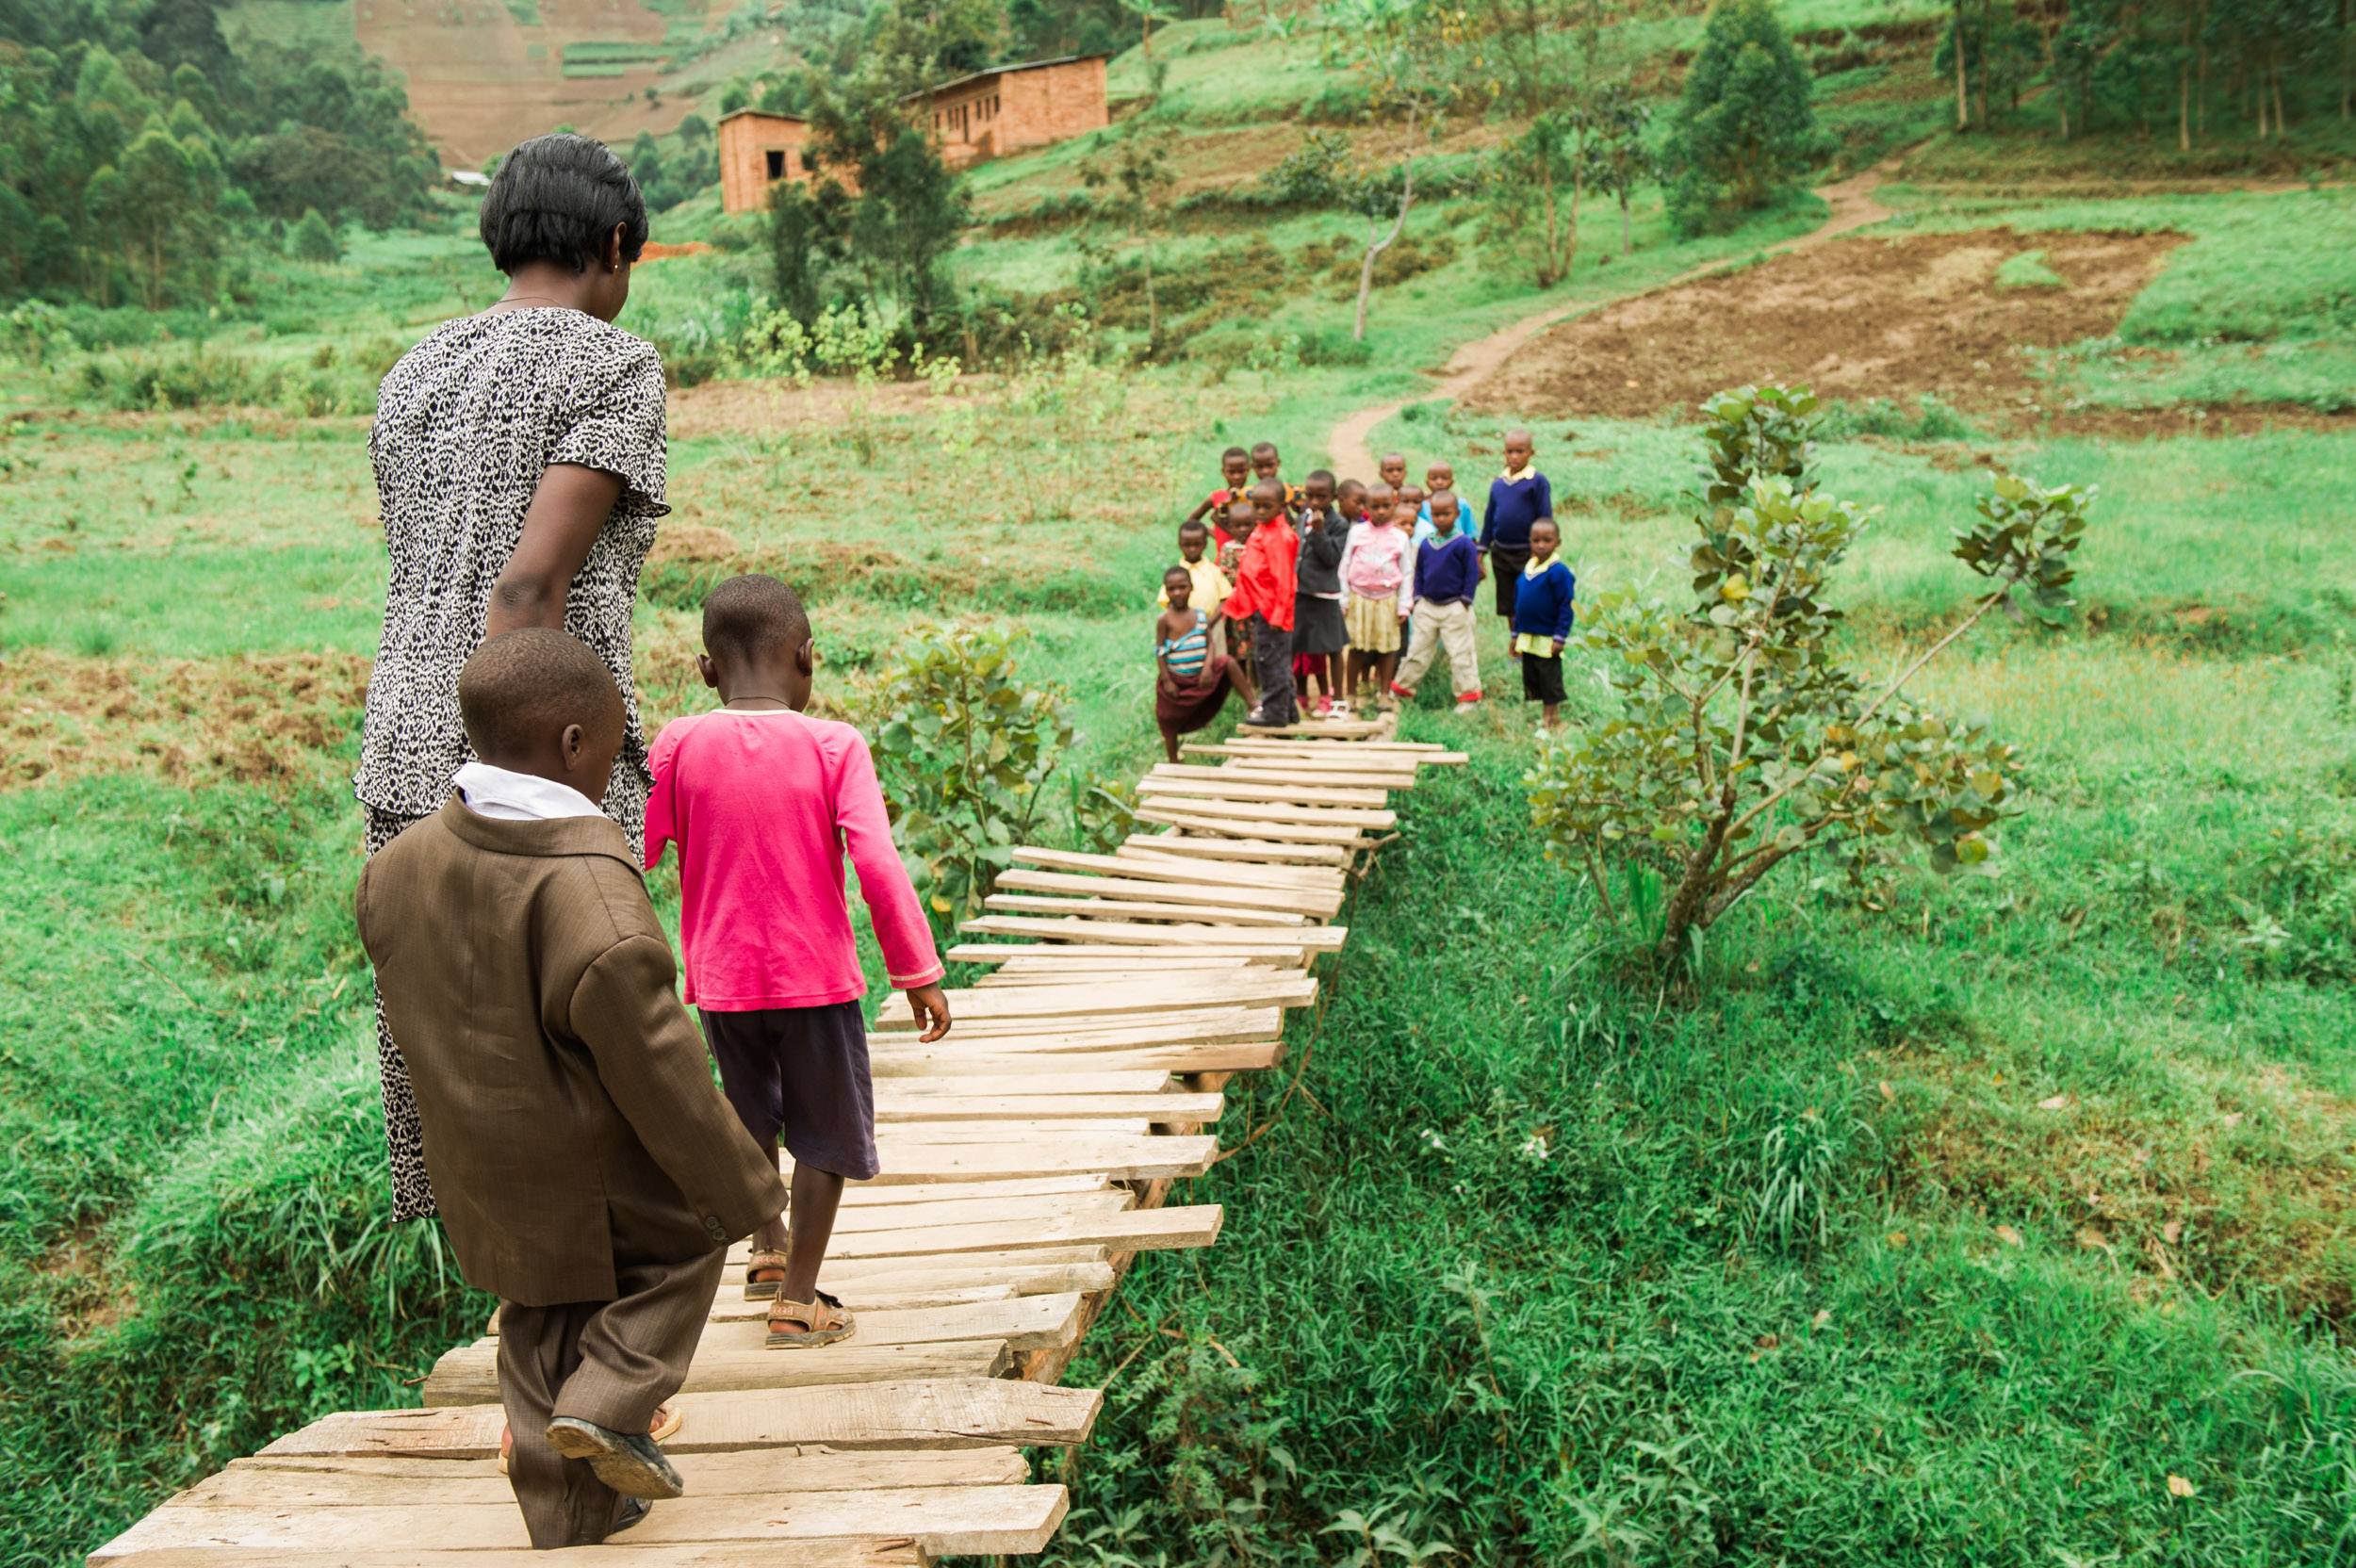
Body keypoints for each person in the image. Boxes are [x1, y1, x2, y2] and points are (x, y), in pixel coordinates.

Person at [356, 629, 790, 1548]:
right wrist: (746, 1187)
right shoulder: (591, 896)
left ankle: (569, 1513)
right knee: (689, 1229)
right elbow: (659, 1062)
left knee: (539, 1309)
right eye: (609, 746)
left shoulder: (392, 869)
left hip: (480, 1169)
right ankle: (610, 1397)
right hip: (583, 1169)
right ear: (571, 745)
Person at [359, 133, 669, 1225]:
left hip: (402, 744)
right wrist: (540, 797)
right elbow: (529, 592)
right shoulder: (611, 366)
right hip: (537, 752)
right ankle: (594, 1361)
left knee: (459, 1055)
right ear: (617, 244)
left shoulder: (414, 370)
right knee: (583, 1040)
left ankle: (521, 1344)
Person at [644, 575, 951, 1351]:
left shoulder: (678, 744)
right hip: (814, 981)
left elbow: (631, 856)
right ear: (806, 658)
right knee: (825, 1133)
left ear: (706, 669)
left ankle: (768, 1246)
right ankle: (799, 1299)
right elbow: (876, 861)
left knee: (750, 1120)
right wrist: (916, 972)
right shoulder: (834, 744)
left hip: (721, 985)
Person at [1391, 492, 1483, 715]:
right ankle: (1401, 690)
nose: (1441, 519)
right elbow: (1419, 571)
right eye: (1436, 514)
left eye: (1446, 514)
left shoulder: (1463, 543)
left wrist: (1465, 601)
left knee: (1461, 653)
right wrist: (1418, 597)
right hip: (1427, 607)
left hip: (1455, 607)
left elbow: (1472, 573)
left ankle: (1468, 697)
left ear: (1457, 514)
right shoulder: (1427, 543)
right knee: (1417, 651)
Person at [1223, 493, 1298, 727]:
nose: (1262, 511)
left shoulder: (1278, 537)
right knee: (1274, 661)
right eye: (1258, 506)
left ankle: (1274, 714)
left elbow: (1285, 580)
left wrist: (1277, 615)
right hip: (1259, 606)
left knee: (1269, 662)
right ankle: (1288, 711)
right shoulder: (1263, 529)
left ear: (1281, 506)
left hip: (1271, 611)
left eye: (1268, 506)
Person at [1339, 482, 1412, 710]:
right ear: (1366, 508)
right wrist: (1344, 598)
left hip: (1387, 599)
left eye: (1386, 506)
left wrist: (1404, 605)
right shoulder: (1357, 532)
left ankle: (1383, 694)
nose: (1381, 511)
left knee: (1388, 648)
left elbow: (1407, 572)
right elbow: (1345, 565)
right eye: (1375, 506)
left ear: (1395, 505)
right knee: (1357, 647)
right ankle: (1350, 694)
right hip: (1359, 598)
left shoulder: (1400, 537)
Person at [1480, 429, 1555, 646]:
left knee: (1528, 599)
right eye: (1510, 452)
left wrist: (1541, 549)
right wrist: (1482, 550)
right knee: (1508, 603)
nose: (1514, 457)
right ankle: (1516, 644)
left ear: (1531, 453)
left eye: (1520, 452)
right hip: (1501, 552)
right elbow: (1489, 518)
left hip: (1527, 552)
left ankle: (1532, 642)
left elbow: (1544, 517)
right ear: (1503, 452)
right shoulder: (1498, 484)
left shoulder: (1537, 482)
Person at [1155, 565, 1235, 760]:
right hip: (1177, 678)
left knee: (1229, 663)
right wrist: (1167, 680)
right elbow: (1160, 652)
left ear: (1191, 588)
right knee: (1168, 717)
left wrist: (1208, 667)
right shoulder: (1164, 620)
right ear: (1165, 591)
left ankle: (1252, 705)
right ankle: (1173, 759)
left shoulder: (1199, 615)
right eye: (1171, 589)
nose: (1177, 593)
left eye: (1182, 587)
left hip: (1201, 675)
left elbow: (1209, 645)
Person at [1291, 468, 1350, 717]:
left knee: (1333, 648)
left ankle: (1338, 701)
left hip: (1324, 595)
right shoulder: (1303, 516)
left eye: (1321, 497)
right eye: (1310, 496)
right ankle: (1297, 697)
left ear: (1334, 496)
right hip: (1300, 593)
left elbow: (1331, 558)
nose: (1314, 502)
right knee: (1298, 645)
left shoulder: (1339, 524)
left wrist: (1319, 532)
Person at [1513, 519, 1576, 729]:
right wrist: (1515, 635)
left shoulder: (1559, 572)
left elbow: (1566, 606)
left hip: (1548, 638)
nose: (1541, 545)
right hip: (1528, 636)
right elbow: (1518, 603)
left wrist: (1560, 636)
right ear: (1529, 541)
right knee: (1534, 679)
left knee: (1550, 681)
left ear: (1558, 542)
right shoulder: (1527, 569)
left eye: (1547, 540)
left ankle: (1548, 721)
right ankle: (1552, 718)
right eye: (1536, 540)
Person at [1186, 447, 1252, 531]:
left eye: (1241, 471)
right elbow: (1191, 520)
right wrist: (1212, 533)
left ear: (1249, 470)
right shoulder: (1216, 497)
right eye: (1231, 472)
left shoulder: (1252, 495)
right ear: (1223, 472)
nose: (1237, 477)